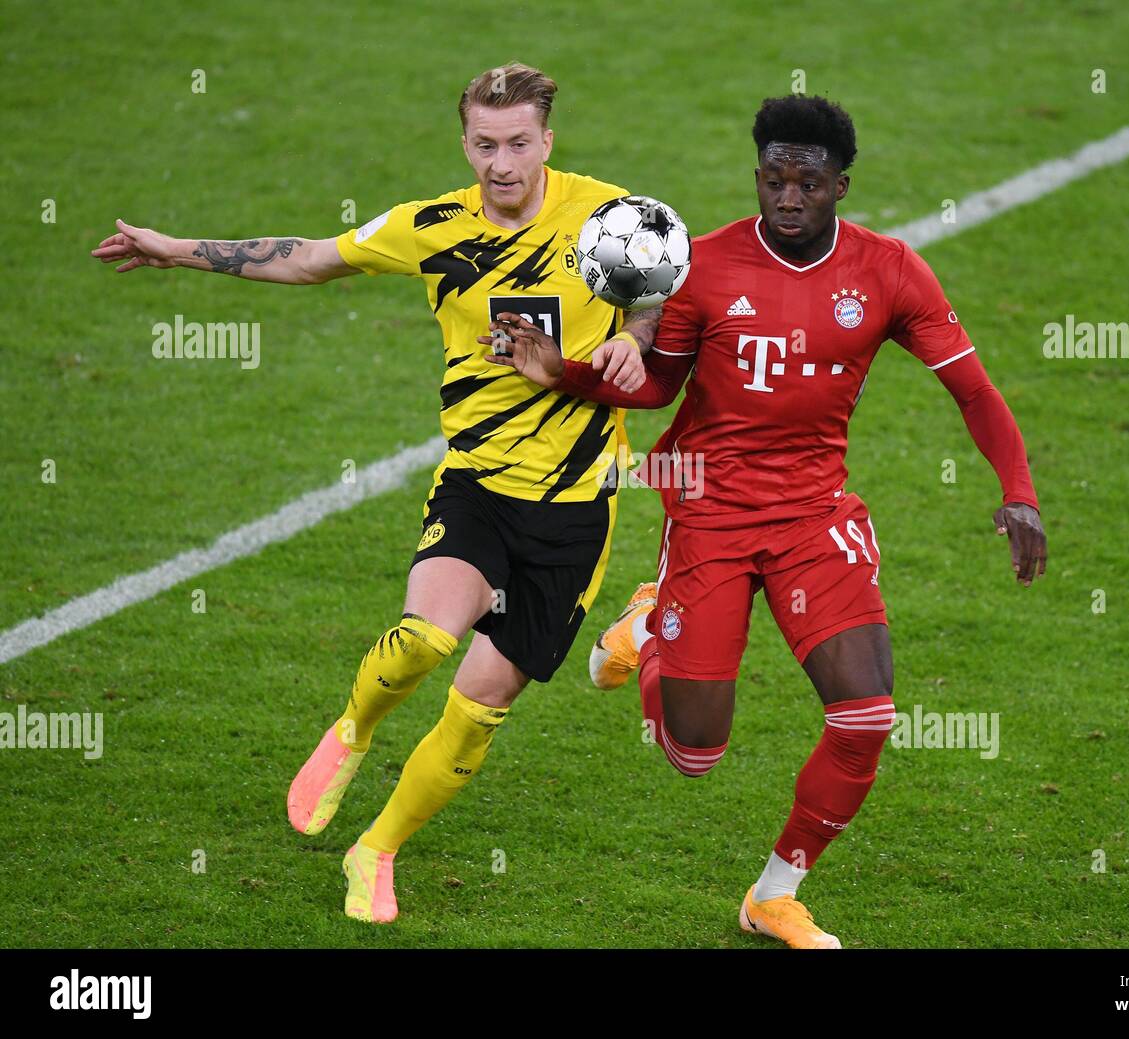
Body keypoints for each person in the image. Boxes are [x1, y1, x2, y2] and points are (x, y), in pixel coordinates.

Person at [93, 62, 657, 924]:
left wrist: (636, 344)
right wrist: (177, 250)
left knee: (479, 710)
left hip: (578, 507)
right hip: (477, 483)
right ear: (464, 139)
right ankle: (353, 730)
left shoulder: (612, 215)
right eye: (482, 144)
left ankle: (377, 848)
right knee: (429, 637)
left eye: (515, 144)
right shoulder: (432, 226)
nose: (499, 163)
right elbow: (313, 259)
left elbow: (661, 292)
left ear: (547, 139)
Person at [484, 93, 1047, 949]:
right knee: (693, 753)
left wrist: (1019, 491)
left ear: (841, 187)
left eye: (808, 184)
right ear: (757, 177)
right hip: (708, 508)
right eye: (775, 180)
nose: (789, 198)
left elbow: (972, 389)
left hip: (816, 514)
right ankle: (652, 626)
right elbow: (657, 385)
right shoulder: (701, 268)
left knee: (863, 716)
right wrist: (559, 370)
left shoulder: (890, 271)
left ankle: (774, 894)